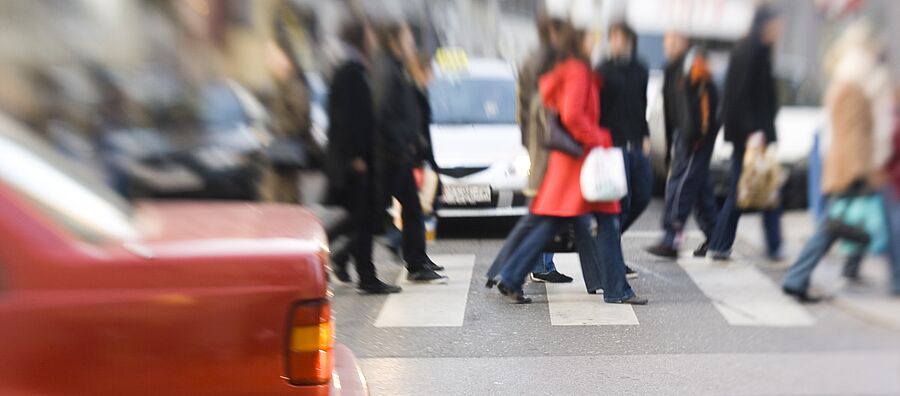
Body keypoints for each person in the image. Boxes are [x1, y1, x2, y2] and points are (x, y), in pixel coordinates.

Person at [494, 19, 647, 306]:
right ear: (579, 43)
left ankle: (512, 276)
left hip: (572, 163)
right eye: (591, 38)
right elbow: (573, 116)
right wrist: (600, 137)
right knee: (605, 222)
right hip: (580, 161)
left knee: (555, 222)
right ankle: (616, 290)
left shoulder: (570, 69)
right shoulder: (578, 71)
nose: (595, 42)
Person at [782, 22, 895, 302]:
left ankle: (802, 276)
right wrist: (872, 165)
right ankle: (798, 276)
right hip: (858, 164)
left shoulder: (844, 76)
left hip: (846, 162)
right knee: (879, 221)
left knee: (840, 223)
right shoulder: (865, 80)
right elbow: (868, 129)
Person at [325, 20, 402, 294]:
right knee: (361, 217)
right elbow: (347, 119)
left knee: (363, 218)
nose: (372, 36)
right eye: (368, 32)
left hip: (359, 158)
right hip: (356, 160)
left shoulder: (356, 68)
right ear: (360, 37)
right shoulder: (351, 71)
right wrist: (356, 156)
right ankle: (328, 250)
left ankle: (353, 266)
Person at [707, 5, 784, 261]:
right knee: (747, 190)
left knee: (762, 187)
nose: (779, 29)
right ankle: (719, 244)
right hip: (750, 135)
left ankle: (770, 244)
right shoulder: (751, 51)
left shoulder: (757, 49)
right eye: (776, 23)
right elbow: (740, 97)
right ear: (765, 24)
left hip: (753, 133)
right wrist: (753, 130)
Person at [373, 22, 447, 284]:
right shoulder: (387, 68)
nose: (410, 42)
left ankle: (417, 261)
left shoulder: (394, 66)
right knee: (370, 213)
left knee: (412, 209)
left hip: (398, 153)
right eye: (406, 36)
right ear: (395, 39)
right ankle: (342, 254)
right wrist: (401, 145)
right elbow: (384, 113)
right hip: (391, 155)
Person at [644, 31, 720, 259]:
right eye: (666, 40)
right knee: (699, 188)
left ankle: (671, 236)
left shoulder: (694, 66)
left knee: (682, 185)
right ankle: (717, 238)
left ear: (685, 41)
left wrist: (697, 135)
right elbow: (670, 109)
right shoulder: (672, 68)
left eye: (674, 40)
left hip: (694, 137)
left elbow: (709, 103)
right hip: (683, 134)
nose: (668, 44)